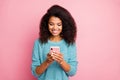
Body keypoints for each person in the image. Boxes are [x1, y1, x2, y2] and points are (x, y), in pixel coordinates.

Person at [31, 4, 78, 80]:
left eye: (59, 24)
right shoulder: (39, 43)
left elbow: (72, 72)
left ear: (64, 25)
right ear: (46, 24)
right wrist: (47, 62)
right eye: (51, 24)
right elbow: (35, 73)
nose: (55, 28)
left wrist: (61, 61)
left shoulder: (70, 43)